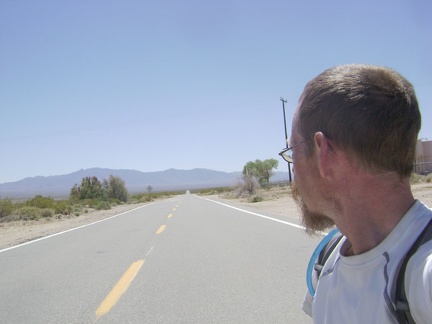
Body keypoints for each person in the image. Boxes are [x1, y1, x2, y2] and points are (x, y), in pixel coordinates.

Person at [286, 64, 432, 323]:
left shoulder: (424, 277)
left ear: (323, 154)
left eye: (293, 150)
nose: (294, 170)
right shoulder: (325, 259)